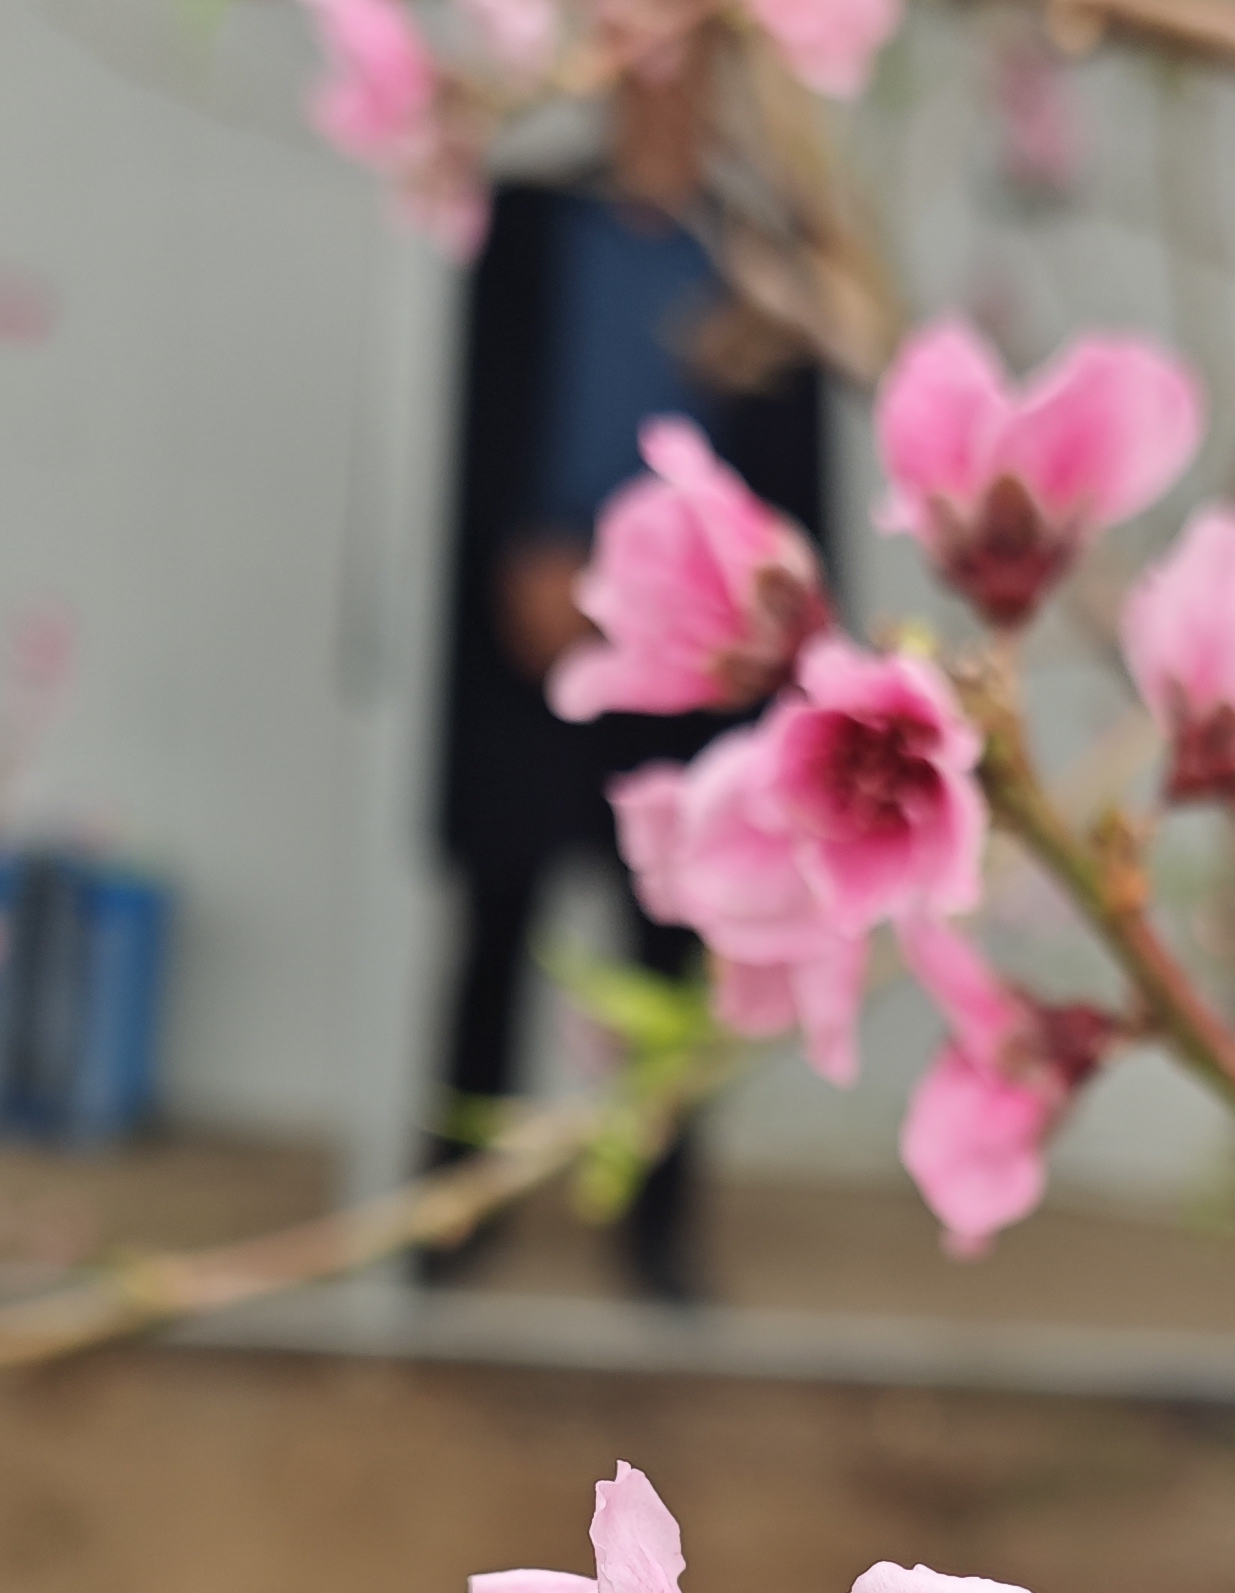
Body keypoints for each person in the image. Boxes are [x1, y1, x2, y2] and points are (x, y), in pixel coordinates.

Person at [428, 34, 831, 1302]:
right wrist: (513, 563)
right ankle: (452, 1211)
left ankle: (657, 1226)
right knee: (495, 923)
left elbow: (795, 465)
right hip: (532, 624)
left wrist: (782, 661)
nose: (657, 80)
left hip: (696, 656)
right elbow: (478, 417)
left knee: (671, 935)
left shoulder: (763, 246)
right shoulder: (527, 219)